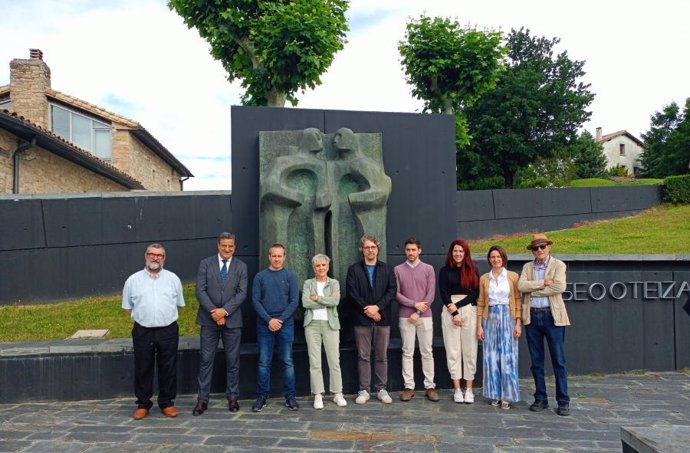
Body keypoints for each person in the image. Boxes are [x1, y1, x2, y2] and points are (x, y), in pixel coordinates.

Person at [122, 243, 185, 420]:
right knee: (143, 367)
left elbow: (179, 303)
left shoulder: (173, 279)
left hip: (168, 330)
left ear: (164, 258)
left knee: (168, 367)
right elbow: (128, 307)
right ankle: (143, 404)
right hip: (143, 330)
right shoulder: (133, 280)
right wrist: (143, 317)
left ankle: (167, 403)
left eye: (159, 255)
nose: (155, 258)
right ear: (145, 256)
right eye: (152, 254)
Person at [192, 232, 248, 416]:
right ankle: (202, 399)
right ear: (218, 245)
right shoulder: (205, 264)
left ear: (235, 247)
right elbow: (200, 291)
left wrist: (224, 311)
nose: (227, 249)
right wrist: (215, 312)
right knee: (206, 360)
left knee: (233, 361)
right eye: (224, 245)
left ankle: (233, 397)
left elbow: (241, 293)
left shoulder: (241, 266)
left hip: (232, 321)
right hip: (209, 320)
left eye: (230, 246)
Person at [518, 233, 571, 416]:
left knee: (558, 360)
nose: (539, 250)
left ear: (549, 247)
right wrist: (542, 283)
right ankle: (540, 397)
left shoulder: (558, 265)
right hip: (532, 317)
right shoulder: (527, 266)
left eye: (542, 246)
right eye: (535, 248)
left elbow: (559, 287)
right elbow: (521, 286)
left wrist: (534, 291)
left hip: (552, 317)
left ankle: (563, 400)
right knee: (536, 361)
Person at [346, 234, 397, 405]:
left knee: (382, 356)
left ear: (378, 249)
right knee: (363, 356)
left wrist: (378, 307)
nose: (370, 250)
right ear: (362, 250)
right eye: (367, 247)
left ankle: (381, 389)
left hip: (382, 319)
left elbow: (392, 291)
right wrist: (368, 309)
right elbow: (352, 293)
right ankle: (364, 390)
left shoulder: (387, 269)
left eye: (373, 247)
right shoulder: (354, 270)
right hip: (361, 320)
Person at [251, 243, 300, 412]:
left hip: (285, 325)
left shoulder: (290, 276)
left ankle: (290, 397)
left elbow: (294, 301)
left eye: (280, 256)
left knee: (287, 361)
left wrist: (279, 319)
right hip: (264, 325)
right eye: (274, 256)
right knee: (264, 362)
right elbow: (256, 300)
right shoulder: (260, 277)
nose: (277, 259)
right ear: (269, 257)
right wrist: (269, 320)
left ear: (284, 257)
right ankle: (262, 397)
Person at [476, 246, 522, 409]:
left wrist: (518, 323)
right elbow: (481, 302)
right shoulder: (484, 279)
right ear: (489, 259)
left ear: (503, 258)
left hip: (508, 318)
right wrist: (479, 326)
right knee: (491, 357)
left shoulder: (512, 277)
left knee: (508, 357)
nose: (495, 259)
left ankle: (507, 395)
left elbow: (517, 300)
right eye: (492, 257)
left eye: (498, 257)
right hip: (490, 319)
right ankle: (494, 394)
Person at [394, 237, 439, 402]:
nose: (410, 253)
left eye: (413, 250)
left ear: (419, 250)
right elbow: (397, 294)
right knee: (407, 351)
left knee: (427, 351)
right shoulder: (398, 270)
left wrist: (418, 312)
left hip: (425, 317)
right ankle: (409, 387)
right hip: (405, 316)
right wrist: (413, 305)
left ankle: (430, 386)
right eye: (408, 250)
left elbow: (431, 295)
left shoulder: (428, 269)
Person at [302, 254, 347, 409]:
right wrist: (325, 301)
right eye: (318, 266)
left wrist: (318, 298)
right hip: (312, 325)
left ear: (328, 267)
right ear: (313, 268)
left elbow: (335, 301)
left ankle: (337, 393)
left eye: (323, 265)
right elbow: (305, 302)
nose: (321, 268)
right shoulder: (308, 283)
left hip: (330, 324)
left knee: (334, 360)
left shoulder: (334, 283)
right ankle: (318, 394)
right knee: (315, 362)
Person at [438, 239, 480, 403]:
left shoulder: (472, 269)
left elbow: (475, 293)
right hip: (449, 310)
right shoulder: (444, 271)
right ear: (451, 252)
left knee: (470, 350)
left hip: (468, 309)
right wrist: (454, 311)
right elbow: (443, 293)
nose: (458, 254)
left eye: (461, 251)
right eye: (455, 251)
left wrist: (458, 306)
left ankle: (469, 389)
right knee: (453, 350)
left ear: (465, 253)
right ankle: (457, 389)